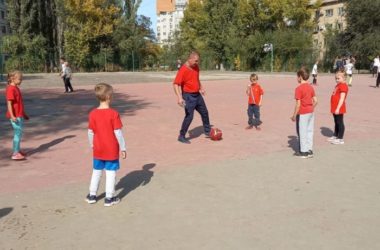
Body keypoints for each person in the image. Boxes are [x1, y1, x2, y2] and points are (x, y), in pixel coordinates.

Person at [85, 83, 127, 206]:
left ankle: (92, 195)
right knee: (110, 173)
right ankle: (109, 198)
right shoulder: (113, 114)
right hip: (111, 149)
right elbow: (118, 133)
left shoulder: (92, 113)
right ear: (108, 96)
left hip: (98, 149)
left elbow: (90, 132)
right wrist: (123, 148)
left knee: (96, 171)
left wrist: (92, 144)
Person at [173, 51, 211, 144]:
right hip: (188, 96)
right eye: (196, 61)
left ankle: (207, 131)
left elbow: (197, 79)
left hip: (197, 95)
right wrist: (179, 97)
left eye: (198, 61)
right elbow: (175, 84)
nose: (197, 63)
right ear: (190, 59)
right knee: (189, 116)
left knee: (205, 112)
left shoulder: (196, 67)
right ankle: (181, 136)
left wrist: (201, 88)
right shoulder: (183, 70)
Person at [290, 67, 318, 158]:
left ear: (300, 77)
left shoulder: (298, 89)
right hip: (311, 112)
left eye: (297, 77)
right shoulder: (310, 87)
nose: (297, 78)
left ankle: (304, 152)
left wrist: (294, 115)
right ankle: (310, 150)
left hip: (303, 113)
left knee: (302, 132)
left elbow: (298, 104)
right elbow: (316, 101)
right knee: (310, 131)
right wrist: (310, 108)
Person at [5, 71, 29, 160]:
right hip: (15, 116)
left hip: (19, 115)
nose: (21, 81)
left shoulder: (16, 88)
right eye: (19, 79)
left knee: (19, 133)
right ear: (12, 79)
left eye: (21, 79)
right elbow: (9, 104)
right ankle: (15, 153)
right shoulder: (11, 89)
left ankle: (17, 150)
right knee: (17, 133)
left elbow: (19, 103)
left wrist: (24, 114)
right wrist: (12, 115)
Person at [328, 70, 348, 145]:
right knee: (336, 122)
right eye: (336, 78)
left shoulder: (343, 86)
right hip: (335, 107)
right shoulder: (338, 85)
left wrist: (338, 108)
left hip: (339, 108)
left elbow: (342, 98)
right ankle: (335, 135)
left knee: (340, 122)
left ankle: (340, 138)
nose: (336, 80)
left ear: (344, 78)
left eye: (338, 78)